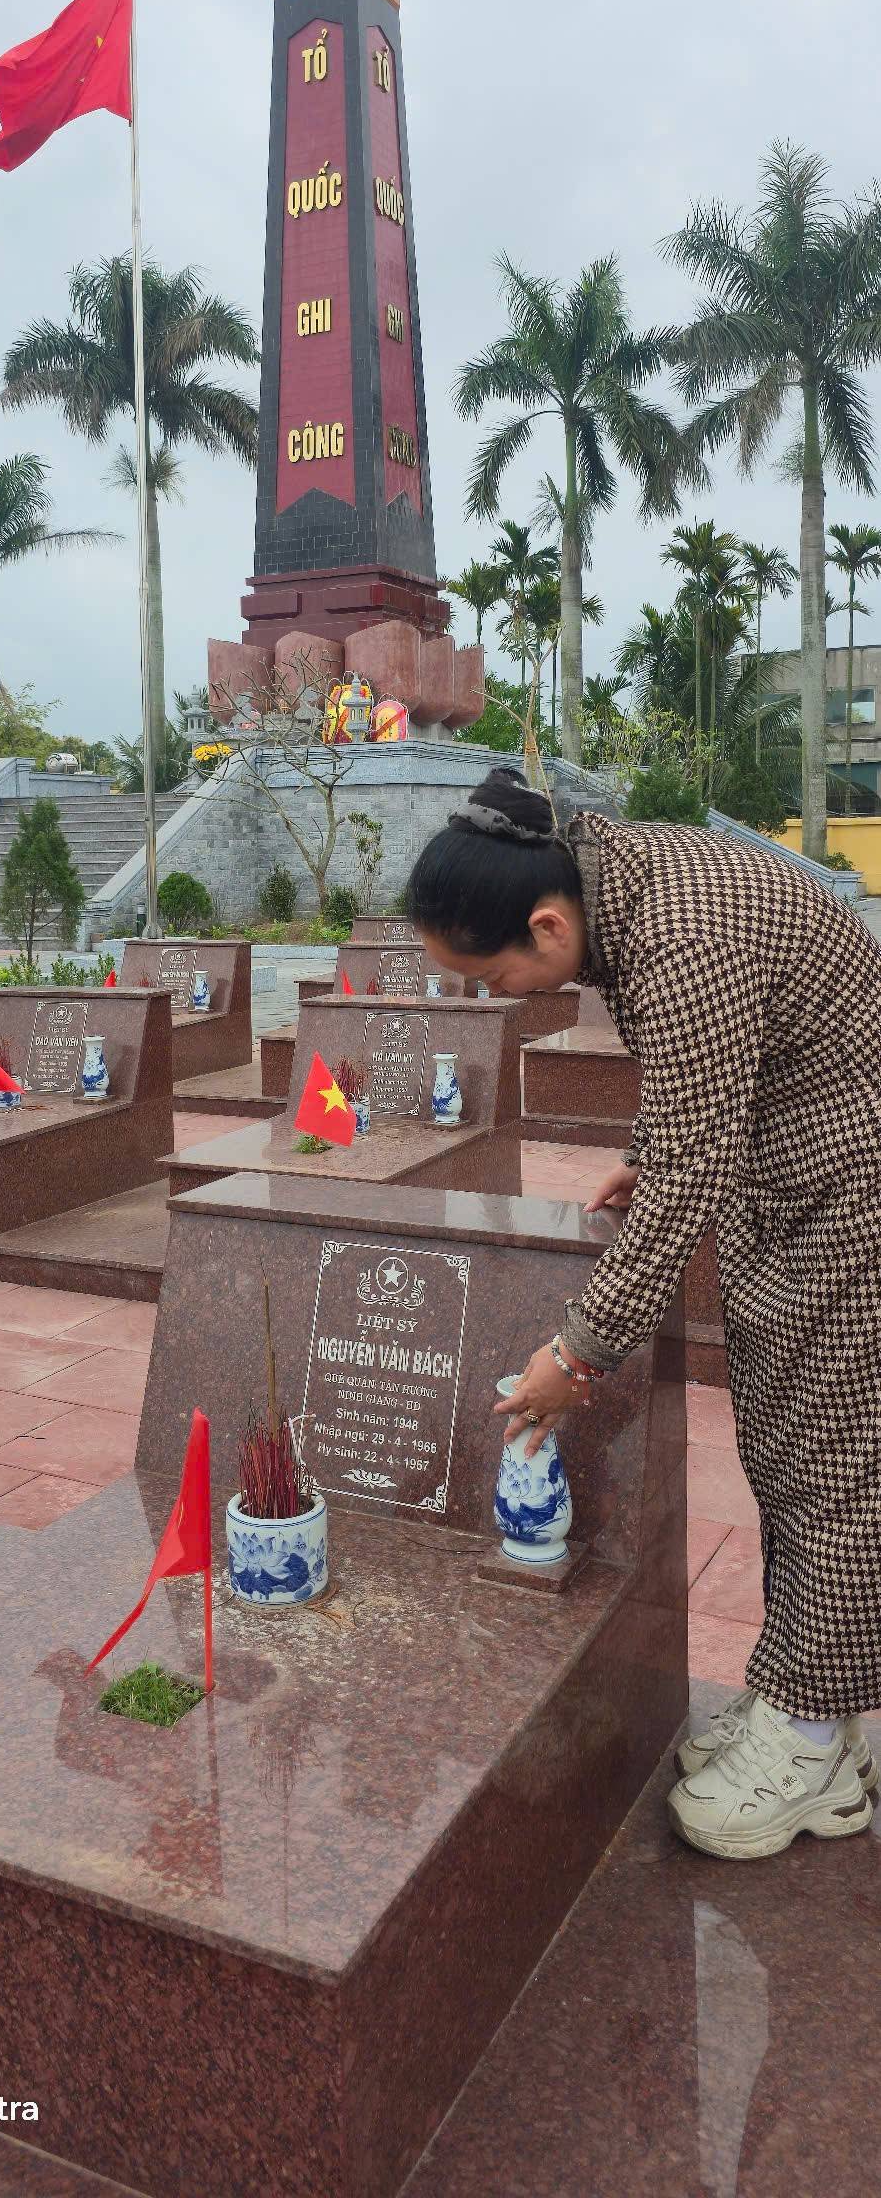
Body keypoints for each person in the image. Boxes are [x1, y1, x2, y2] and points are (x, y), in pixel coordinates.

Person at [405, 765, 881, 1861]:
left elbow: (687, 1180)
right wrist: (650, 1151)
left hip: (851, 1181)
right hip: (798, 1162)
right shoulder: (621, 886)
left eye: (495, 974)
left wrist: (572, 1355)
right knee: (791, 1443)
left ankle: (808, 1737)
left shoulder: (678, 934)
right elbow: (704, 1094)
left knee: (831, 1455)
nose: (499, 997)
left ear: (544, 920)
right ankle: (818, 1716)